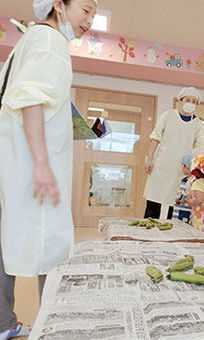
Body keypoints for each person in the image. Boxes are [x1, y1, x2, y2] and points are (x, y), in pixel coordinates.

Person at [0, 0, 97, 338]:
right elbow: (31, 99)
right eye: (85, 9)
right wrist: (41, 163)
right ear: (59, 5)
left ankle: (4, 323)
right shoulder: (51, 41)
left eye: (94, 14)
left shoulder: (30, 38)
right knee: (49, 243)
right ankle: (56, 326)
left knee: (9, 234)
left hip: (14, 158)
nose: (90, 20)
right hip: (27, 162)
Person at [143, 86, 204, 220]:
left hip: (180, 171)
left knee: (173, 205)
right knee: (153, 202)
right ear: (180, 100)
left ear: (197, 105)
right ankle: (147, 234)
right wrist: (149, 159)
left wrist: (194, 169)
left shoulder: (197, 124)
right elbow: (155, 137)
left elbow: (203, 147)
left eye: (194, 101)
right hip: (161, 166)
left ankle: (167, 235)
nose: (190, 103)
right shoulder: (168, 116)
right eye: (187, 100)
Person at [186, 152, 204, 233]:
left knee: (198, 233)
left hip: (200, 213)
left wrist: (189, 202)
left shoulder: (198, 183)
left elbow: (199, 199)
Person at [172, 153, 194, 224]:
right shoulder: (183, 180)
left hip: (185, 210)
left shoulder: (192, 181)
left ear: (187, 166)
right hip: (178, 208)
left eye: (182, 165)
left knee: (183, 226)